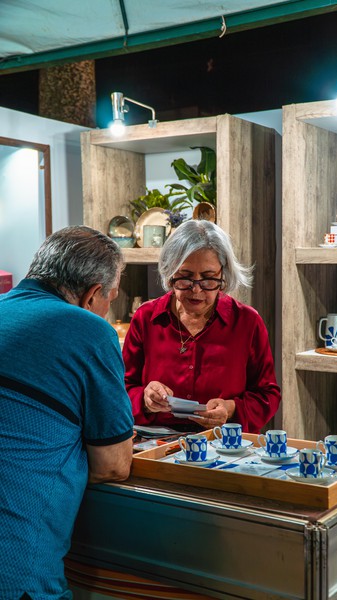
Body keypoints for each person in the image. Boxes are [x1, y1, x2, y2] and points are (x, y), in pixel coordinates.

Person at [0, 226, 134, 599]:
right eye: (111, 298)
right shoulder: (90, 330)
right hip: (17, 572)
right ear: (92, 295)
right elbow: (113, 465)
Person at [123, 219, 280, 433]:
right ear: (170, 274)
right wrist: (144, 399)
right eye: (185, 278)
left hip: (223, 442)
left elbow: (268, 396)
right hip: (155, 442)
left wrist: (230, 409)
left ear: (223, 275)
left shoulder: (247, 322)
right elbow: (121, 388)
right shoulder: (146, 318)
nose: (196, 290)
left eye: (208, 280)